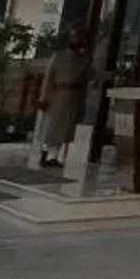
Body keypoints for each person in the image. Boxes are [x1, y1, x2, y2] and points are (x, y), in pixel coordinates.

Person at [34, 22, 91, 171]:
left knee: (64, 129)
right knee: (52, 127)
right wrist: (43, 98)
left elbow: (89, 77)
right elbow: (48, 79)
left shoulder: (83, 59)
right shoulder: (58, 57)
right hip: (58, 95)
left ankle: (54, 155)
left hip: (73, 96)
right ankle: (46, 153)